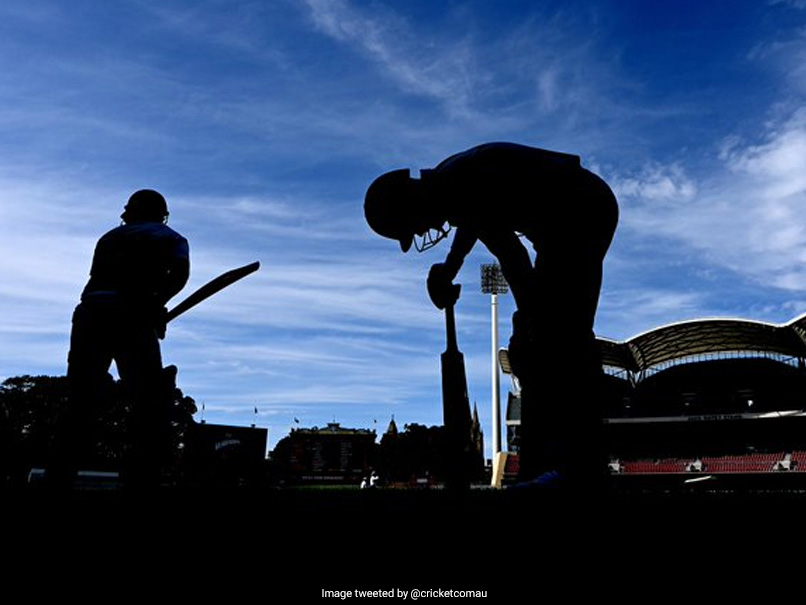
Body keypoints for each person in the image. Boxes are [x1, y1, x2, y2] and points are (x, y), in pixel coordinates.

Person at [364, 142, 618, 490]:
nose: (423, 232)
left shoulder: (462, 182)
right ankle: (551, 467)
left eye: (414, 226)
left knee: (558, 337)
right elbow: (471, 226)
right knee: (539, 340)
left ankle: (577, 469)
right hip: (565, 222)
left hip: (579, 214)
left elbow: (510, 254)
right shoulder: (451, 181)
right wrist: (450, 269)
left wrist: (532, 318)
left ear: (410, 201)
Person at [48, 189, 190, 489]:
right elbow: (178, 277)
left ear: (131, 212)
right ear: (161, 213)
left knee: (80, 398)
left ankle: (58, 478)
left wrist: (150, 309)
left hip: (90, 315)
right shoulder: (171, 238)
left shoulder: (109, 237)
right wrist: (154, 306)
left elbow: (106, 280)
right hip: (132, 318)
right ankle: (140, 481)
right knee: (146, 401)